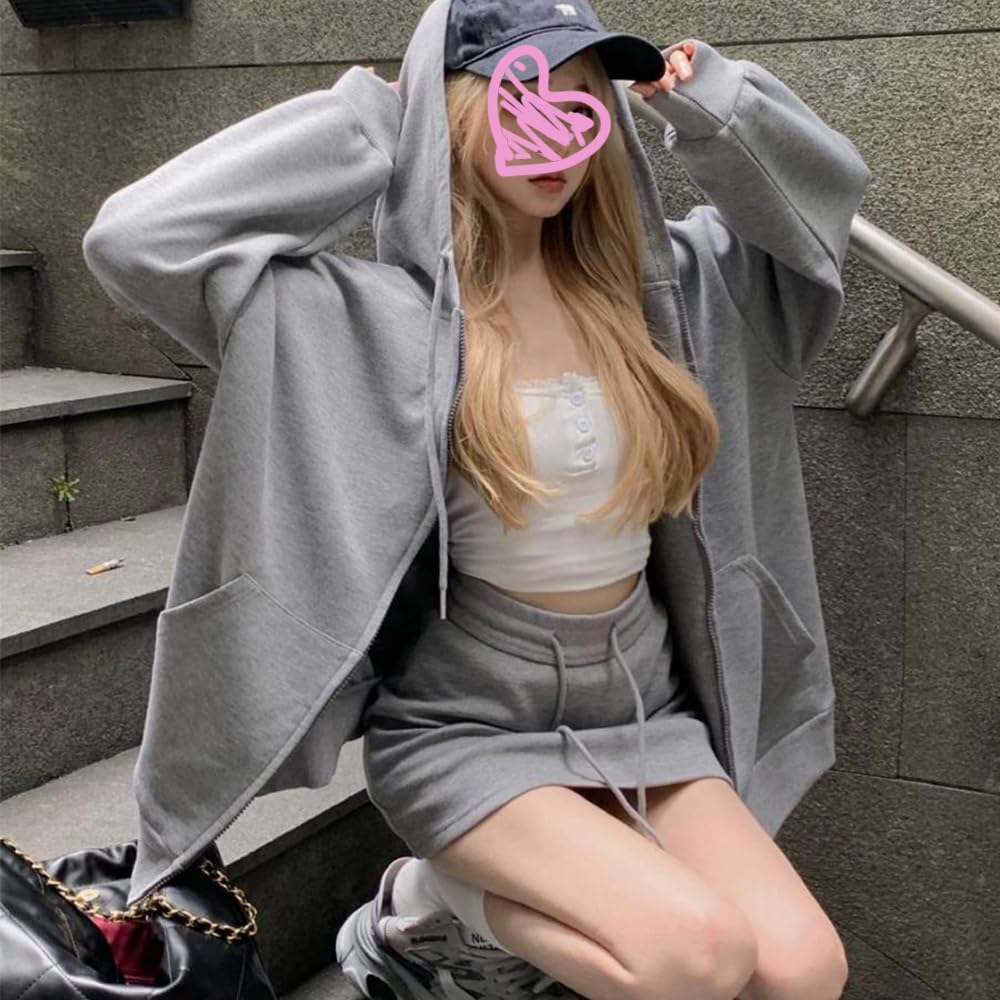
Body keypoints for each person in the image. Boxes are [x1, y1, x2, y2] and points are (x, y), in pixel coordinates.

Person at [81, 0, 871, 997]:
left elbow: (815, 224)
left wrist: (716, 106)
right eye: (519, 97)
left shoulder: (671, 295)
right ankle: (426, 906)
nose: (556, 130)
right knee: (692, 955)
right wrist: (375, 119)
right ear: (455, 112)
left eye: (581, 99)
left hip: (646, 712)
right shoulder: (365, 320)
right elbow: (137, 240)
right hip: (464, 728)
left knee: (805, 971)